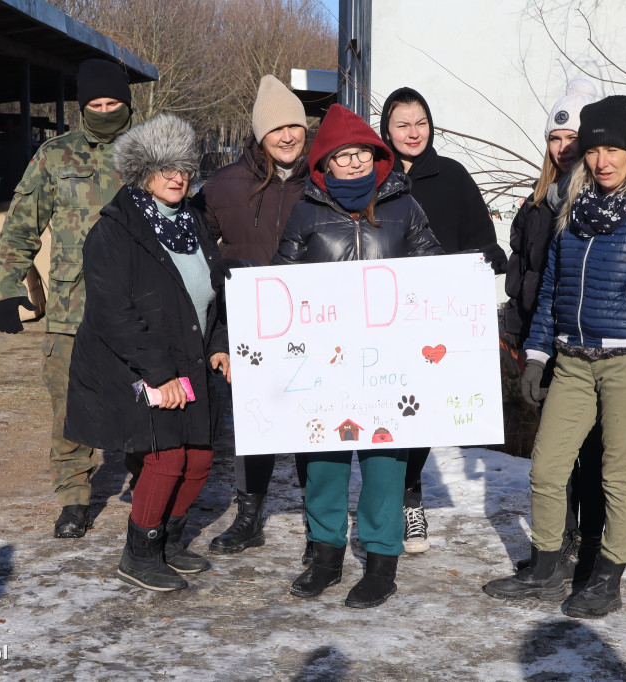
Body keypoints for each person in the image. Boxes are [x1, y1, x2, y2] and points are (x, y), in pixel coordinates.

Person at [482, 95, 626, 618]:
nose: (602, 160)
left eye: (612, 150)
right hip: (573, 361)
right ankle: (547, 569)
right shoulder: (574, 207)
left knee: (618, 475)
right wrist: (537, 356)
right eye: (594, 150)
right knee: (547, 467)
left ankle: (606, 578)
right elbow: (552, 288)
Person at [272, 103, 443, 608]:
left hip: (389, 362)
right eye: (342, 156)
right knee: (324, 463)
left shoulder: (404, 206)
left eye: (361, 154)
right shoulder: (306, 210)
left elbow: (432, 267)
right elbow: (281, 280)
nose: (353, 164)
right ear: (325, 163)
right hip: (326, 362)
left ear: (376, 156)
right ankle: (325, 556)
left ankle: (381, 562)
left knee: (384, 464)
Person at [64, 113, 230, 592]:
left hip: (192, 357)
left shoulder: (192, 222)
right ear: (142, 172)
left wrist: (219, 345)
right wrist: (159, 374)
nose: (177, 177)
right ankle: (138, 554)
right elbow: (112, 313)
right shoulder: (114, 231)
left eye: (184, 167)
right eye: (164, 168)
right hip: (139, 364)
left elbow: (212, 293)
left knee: (199, 459)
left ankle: (169, 543)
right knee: (167, 458)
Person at [0, 59, 133, 539]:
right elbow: (20, 224)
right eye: (95, 104)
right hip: (71, 309)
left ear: (127, 103)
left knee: (145, 401)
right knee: (70, 406)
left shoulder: (150, 152)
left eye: (113, 103)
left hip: (136, 307)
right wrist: (8, 288)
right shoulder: (56, 156)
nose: (104, 111)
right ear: (82, 107)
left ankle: (150, 489)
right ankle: (74, 499)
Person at [378, 87, 506, 554]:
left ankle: (410, 497)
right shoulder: (373, 177)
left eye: (421, 123)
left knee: (422, 414)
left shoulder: (453, 175)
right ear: (386, 130)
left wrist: (487, 256)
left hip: (436, 319)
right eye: (402, 125)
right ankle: (385, 503)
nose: (413, 133)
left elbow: (479, 237)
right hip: (384, 317)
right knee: (385, 412)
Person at [190, 75, 311, 556]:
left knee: (312, 424)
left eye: (294, 126)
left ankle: (319, 521)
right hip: (250, 326)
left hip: (312, 322)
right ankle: (249, 517)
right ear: (260, 134)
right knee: (256, 422)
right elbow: (193, 249)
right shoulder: (223, 186)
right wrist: (218, 331)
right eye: (276, 128)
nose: (287, 136)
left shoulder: (323, 179)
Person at [501, 79, 605, 582]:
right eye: (554, 138)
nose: (563, 148)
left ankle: (589, 548)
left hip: (591, 346)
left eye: (572, 139)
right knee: (552, 455)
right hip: (543, 344)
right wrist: (516, 335)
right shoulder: (536, 202)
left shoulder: (609, 199)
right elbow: (522, 274)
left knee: (592, 456)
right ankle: (558, 544)